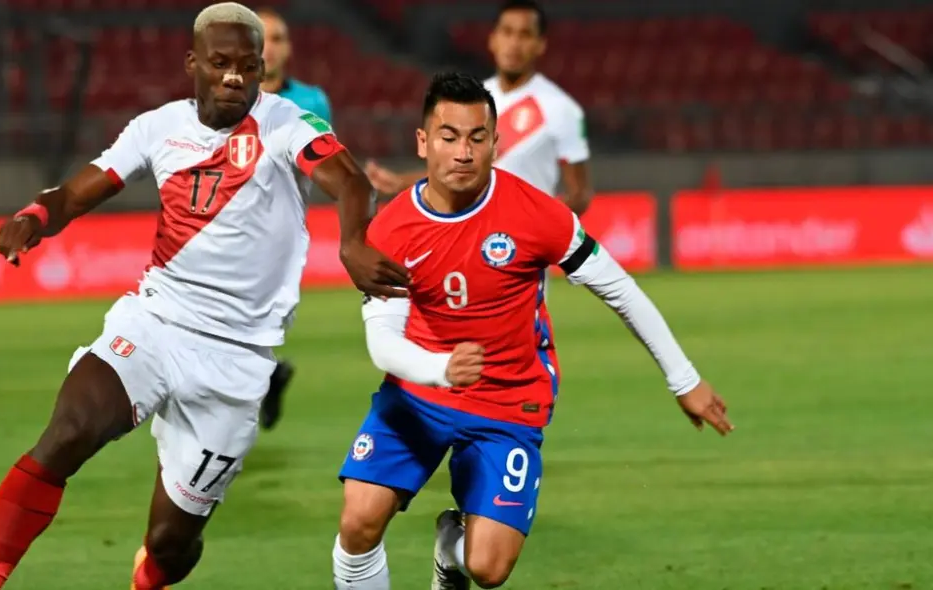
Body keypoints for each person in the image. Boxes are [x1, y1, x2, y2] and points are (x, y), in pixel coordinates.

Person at [0, 4, 409, 590]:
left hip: (237, 361)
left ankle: (150, 574)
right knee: (68, 432)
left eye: (247, 66)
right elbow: (76, 191)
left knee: (172, 545)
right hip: (156, 324)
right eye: (221, 63)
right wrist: (35, 214)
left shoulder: (287, 122)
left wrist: (351, 241)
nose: (234, 77)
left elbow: (349, 180)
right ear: (192, 63)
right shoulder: (158, 127)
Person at [331, 72, 733, 590]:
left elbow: (620, 288)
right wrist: (439, 369)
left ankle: (451, 549)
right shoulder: (390, 229)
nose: (463, 152)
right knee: (358, 520)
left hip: (507, 398)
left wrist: (685, 380)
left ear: (495, 143)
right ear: (423, 142)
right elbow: (382, 343)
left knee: (489, 569)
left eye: (478, 138)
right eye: (449, 137)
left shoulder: (536, 214)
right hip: (417, 393)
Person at [364, 0, 591, 216]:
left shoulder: (561, 108)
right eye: (507, 32)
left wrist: (540, 229)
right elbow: (456, 171)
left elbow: (579, 195)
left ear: (540, 44)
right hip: (473, 238)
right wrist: (399, 182)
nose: (514, 43)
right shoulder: (472, 101)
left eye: (525, 35)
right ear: (493, 39)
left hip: (527, 248)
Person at [255, 6, 333, 431]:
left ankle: (261, 381)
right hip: (230, 227)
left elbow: (323, 162)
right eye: (262, 37)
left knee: (249, 325)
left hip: (282, 231)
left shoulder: (311, 100)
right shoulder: (228, 98)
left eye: (279, 38)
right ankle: (267, 376)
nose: (271, 46)